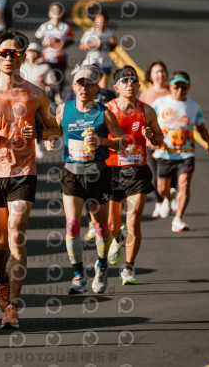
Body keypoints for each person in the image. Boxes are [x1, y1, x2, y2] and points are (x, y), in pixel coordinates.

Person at [0, 31, 60, 329]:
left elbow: (55, 129)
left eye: (13, 53)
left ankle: (13, 305)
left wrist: (39, 133)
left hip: (23, 172)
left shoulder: (36, 93)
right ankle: (2, 278)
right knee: (0, 244)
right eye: (3, 53)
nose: (7, 58)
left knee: (17, 234)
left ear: (22, 57)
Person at [46, 64, 127, 295]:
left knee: (100, 226)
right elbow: (54, 131)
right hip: (71, 173)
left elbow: (123, 142)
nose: (84, 88)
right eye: (80, 84)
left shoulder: (104, 113)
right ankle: (78, 276)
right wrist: (51, 140)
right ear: (74, 86)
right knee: (72, 223)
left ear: (96, 88)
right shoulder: (64, 109)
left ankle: (101, 266)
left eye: (89, 84)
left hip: (97, 174)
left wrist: (101, 142)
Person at [104, 66, 163, 285]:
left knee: (134, 218)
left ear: (139, 86)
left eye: (133, 81)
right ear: (116, 87)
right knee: (112, 224)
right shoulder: (107, 110)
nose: (130, 85)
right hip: (112, 170)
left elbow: (160, 139)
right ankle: (117, 238)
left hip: (138, 170)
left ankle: (128, 267)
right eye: (125, 81)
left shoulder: (147, 111)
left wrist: (152, 136)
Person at [151, 71, 209, 232]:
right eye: (176, 86)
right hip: (165, 152)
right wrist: (150, 139)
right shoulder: (160, 103)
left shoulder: (194, 107)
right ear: (170, 87)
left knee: (185, 184)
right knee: (162, 189)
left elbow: (201, 127)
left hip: (186, 153)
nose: (180, 90)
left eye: (184, 87)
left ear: (189, 88)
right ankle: (168, 198)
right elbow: (149, 122)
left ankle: (178, 218)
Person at [139, 61, 171, 218]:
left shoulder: (172, 91)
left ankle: (169, 198)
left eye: (162, 71)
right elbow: (141, 117)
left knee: (170, 173)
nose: (160, 75)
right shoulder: (146, 94)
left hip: (171, 141)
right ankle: (160, 201)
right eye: (156, 72)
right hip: (151, 141)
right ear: (150, 76)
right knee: (154, 174)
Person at [34, 2, 75, 102]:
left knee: (59, 78)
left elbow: (71, 40)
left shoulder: (65, 27)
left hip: (60, 58)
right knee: (49, 78)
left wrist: (63, 45)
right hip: (47, 57)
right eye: (53, 10)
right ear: (49, 13)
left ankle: (59, 94)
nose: (56, 12)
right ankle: (50, 97)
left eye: (58, 10)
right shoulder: (44, 26)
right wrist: (43, 42)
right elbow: (36, 38)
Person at [79, 12, 117, 88]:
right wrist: (94, 45)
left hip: (105, 63)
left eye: (103, 21)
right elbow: (81, 46)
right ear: (94, 22)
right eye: (99, 21)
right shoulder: (90, 32)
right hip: (92, 63)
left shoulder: (109, 33)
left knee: (103, 86)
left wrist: (112, 44)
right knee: (91, 85)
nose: (101, 24)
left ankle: (101, 95)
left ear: (106, 22)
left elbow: (112, 48)